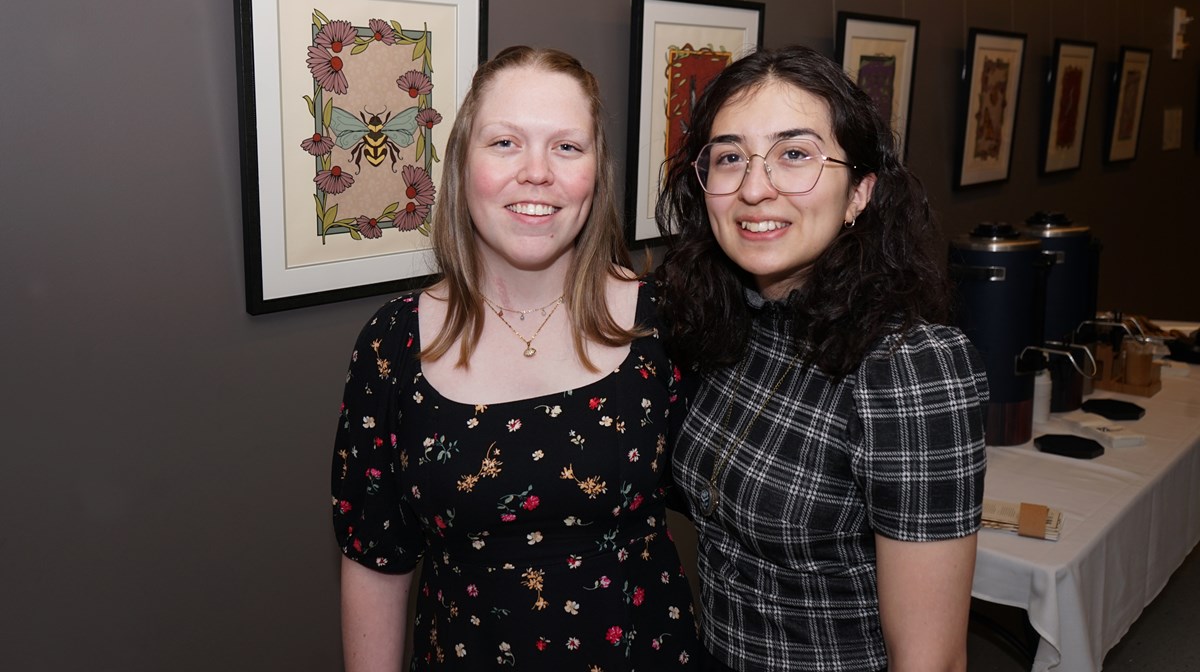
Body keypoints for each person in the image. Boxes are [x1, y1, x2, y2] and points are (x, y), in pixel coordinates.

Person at [332, 46, 700, 670]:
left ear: (596, 171)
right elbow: (376, 562)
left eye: (566, 146)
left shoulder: (663, 324)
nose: (537, 172)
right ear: (461, 165)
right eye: (505, 143)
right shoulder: (394, 343)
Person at [655, 45, 987, 672]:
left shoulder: (910, 366)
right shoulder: (729, 325)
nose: (755, 188)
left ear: (860, 193)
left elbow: (932, 659)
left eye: (795, 155)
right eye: (730, 158)